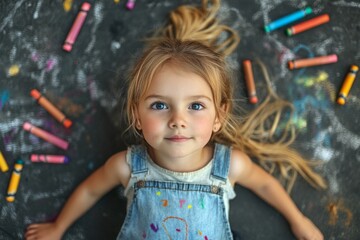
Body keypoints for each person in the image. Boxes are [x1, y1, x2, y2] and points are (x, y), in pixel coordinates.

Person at [25, 0, 326, 239]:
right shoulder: (128, 167)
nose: (177, 120)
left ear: (219, 117)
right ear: (137, 116)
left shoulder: (228, 166)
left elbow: (264, 185)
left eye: (195, 106)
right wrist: (58, 227)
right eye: (159, 105)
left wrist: (298, 221)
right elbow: (90, 190)